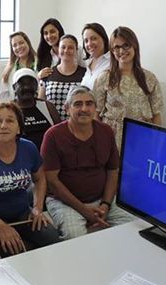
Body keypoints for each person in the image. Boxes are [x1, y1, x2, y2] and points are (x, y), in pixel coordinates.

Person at [0, 102, 61, 261]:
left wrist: (37, 208)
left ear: (19, 128)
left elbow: (40, 178)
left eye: (10, 120)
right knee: (10, 251)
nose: (3, 126)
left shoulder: (28, 148)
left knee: (53, 239)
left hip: (21, 213)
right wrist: (0, 226)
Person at [41, 86, 133, 240]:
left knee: (133, 226)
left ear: (95, 108)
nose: (84, 109)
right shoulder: (53, 136)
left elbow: (112, 171)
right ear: (67, 108)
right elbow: (52, 182)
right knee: (75, 236)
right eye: (77, 104)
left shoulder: (106, 131)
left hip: (102, 199)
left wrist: (105, 204)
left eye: (89, 104)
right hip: (65, 203)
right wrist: (85, 211)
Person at [93, 26, 164, 150]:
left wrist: (156, 142)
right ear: (112, 51)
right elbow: (96, 113)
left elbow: (156, 114)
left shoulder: (149, 78)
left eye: (126, 45)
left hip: (142, 136)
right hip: (112, 136)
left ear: (134, 46)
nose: (121, 51)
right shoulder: (104, 77)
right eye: (116, 47)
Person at [38, 34, 86, 120]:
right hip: (52, 125)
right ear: (58, 49)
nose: (66, 50)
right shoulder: (47, 73)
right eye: (63, 47)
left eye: (70, 48)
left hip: (78, 125)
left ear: (76, 50)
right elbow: (41, 102)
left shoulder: (85, 74)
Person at [13, 68, 61, 150]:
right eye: (22, 84)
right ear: (14, 87)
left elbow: (60, 133)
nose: (27, 87)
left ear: (36, 87)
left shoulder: (47, 106)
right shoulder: (9, 109)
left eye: (31, 83)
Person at [0, 31, 37, 102]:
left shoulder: (40, 63)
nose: (18, 47)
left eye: (21, 43)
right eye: (14, 45)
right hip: (15, 108)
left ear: (28, 43)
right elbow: (3, 97)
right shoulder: (9, 70)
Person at [80, 23, 111, 89]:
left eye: (94, 39)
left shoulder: (113, 62)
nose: (89, 44)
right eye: (86, 41)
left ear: (104, 39)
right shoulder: (87, 63)